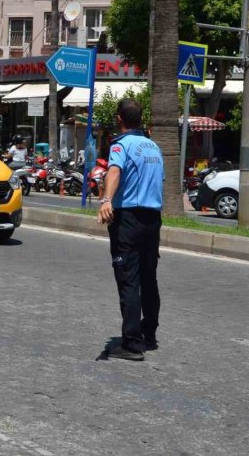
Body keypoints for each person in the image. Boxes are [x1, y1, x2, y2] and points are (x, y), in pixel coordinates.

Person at [97, 98, 165, 361]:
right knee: (149, 278)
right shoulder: (154, 147)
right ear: (140, 119)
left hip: (128, 219)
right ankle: (149, 334)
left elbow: (114, 171)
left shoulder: (121, 145)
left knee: (128, 279)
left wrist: (106, 200)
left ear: (119, 118)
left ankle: (132, 343)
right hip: (152, 219)